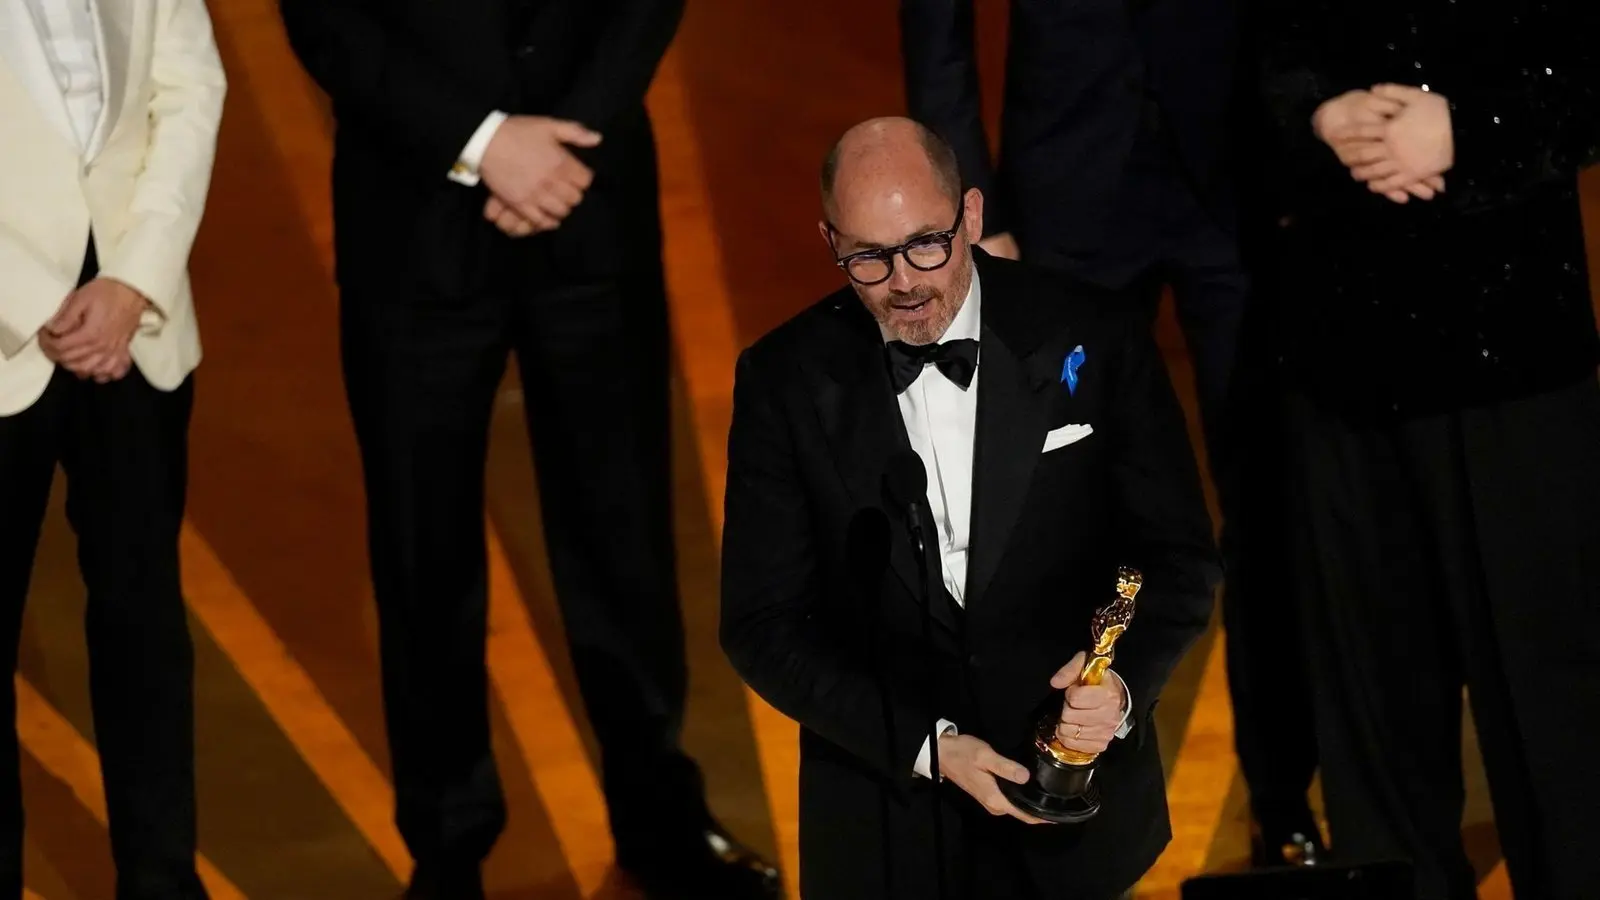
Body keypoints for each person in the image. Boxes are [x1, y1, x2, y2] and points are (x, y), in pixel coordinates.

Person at [275, 2, 780, 897]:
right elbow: (326, 16)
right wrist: (482, 142)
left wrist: (568, 137)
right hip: (412, 221)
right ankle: (447, 848)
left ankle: (658, 815)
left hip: (592, 198)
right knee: (423, 555)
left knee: (623, 539)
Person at [720, 117, 1219, 900]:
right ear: (829, 241)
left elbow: (1180, 559)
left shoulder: (1092, 333)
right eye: (867, 257)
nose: (903, 282)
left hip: (1070, 813)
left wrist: (1119, 689)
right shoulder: (784, 380)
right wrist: (926, 746)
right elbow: (761, 624)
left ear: (973, 216)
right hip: (889, 822)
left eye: (927, 244)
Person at [899, 0, 1325, 864]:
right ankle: (1051, 782)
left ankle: (1282, 800)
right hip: (1063, 188)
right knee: (1053, 513)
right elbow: (936, 19)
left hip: (1239, 181)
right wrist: (970, 200)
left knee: (1270, 512)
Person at [1244, 0, 1600, 897]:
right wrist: (1319, 113)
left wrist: (1468, 129)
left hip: (1511, 352)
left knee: (1551, 713)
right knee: (1375, 728)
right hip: (1338, 351)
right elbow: (1265, 45)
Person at [0, 0, 226, 894]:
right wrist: (37, 303)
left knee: (145, 626)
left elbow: (191, 85)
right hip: (12, 331)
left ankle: (162, 883)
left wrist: (134, 278)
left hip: (137, 322)